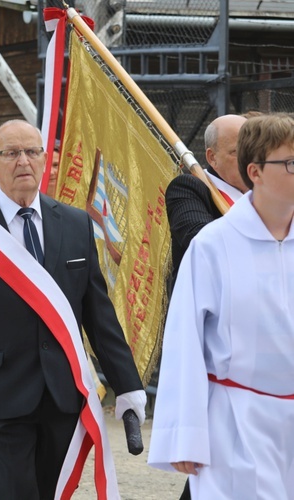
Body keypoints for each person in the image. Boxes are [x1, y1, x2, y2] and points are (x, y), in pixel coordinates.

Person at [0, 120, 146, 499]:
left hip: (62, 392)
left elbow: (98, 313)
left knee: (54, 492)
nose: (23, 161)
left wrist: (127, 383)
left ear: (45, 160)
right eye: (11, 153)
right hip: (0, 393)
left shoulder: (75, 223)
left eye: (32, 152)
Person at [148, 113, 294, 498]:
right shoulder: (213, 245)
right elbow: (186, 339)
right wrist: (184, 433)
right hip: (236, 422)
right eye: (291, 163)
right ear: (256, 172)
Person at [166, 114, 248, 290]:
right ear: (212, 158)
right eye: (237, 152)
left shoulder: (265, 194)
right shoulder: (188, 188)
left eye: (254, 151)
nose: (249, 160)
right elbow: (203, 241)